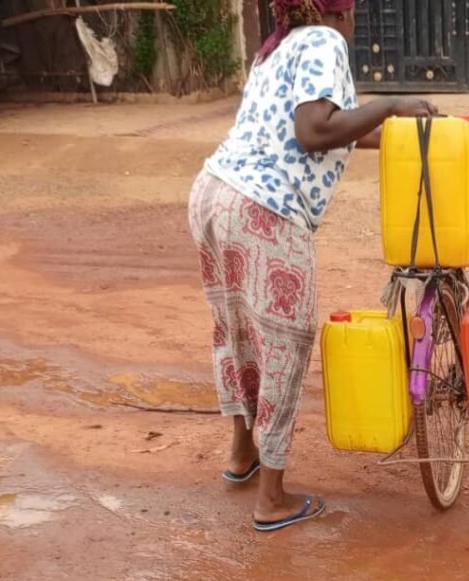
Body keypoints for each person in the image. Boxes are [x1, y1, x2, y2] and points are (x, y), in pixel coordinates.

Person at [187, 0, 437, 532]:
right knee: (284, 342)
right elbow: (313, 130)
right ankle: (271, 500)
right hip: (263, 210)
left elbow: (330, 129)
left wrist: (401, 130)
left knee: (236, 331)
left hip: (214, 194)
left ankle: (242, 457)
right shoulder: (325, 41)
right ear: (340, 14)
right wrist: (391, 105)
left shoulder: (274, 46)